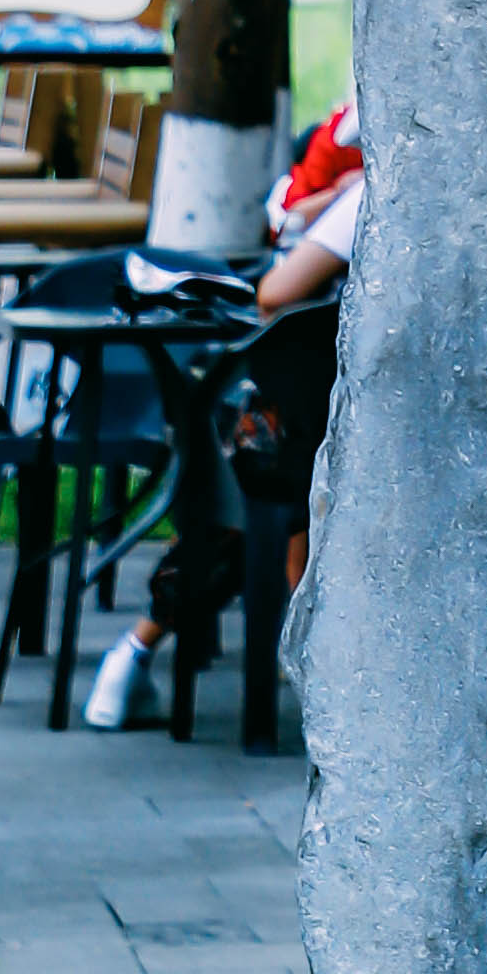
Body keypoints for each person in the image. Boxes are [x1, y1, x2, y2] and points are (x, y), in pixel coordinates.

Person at [84, 109, 361, 733]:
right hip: (350, 431)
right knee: (283, 503)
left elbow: (275, 294)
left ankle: (133, 652)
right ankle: (308, 667)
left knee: (251, 486)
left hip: (306, 429)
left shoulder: (368, 199)